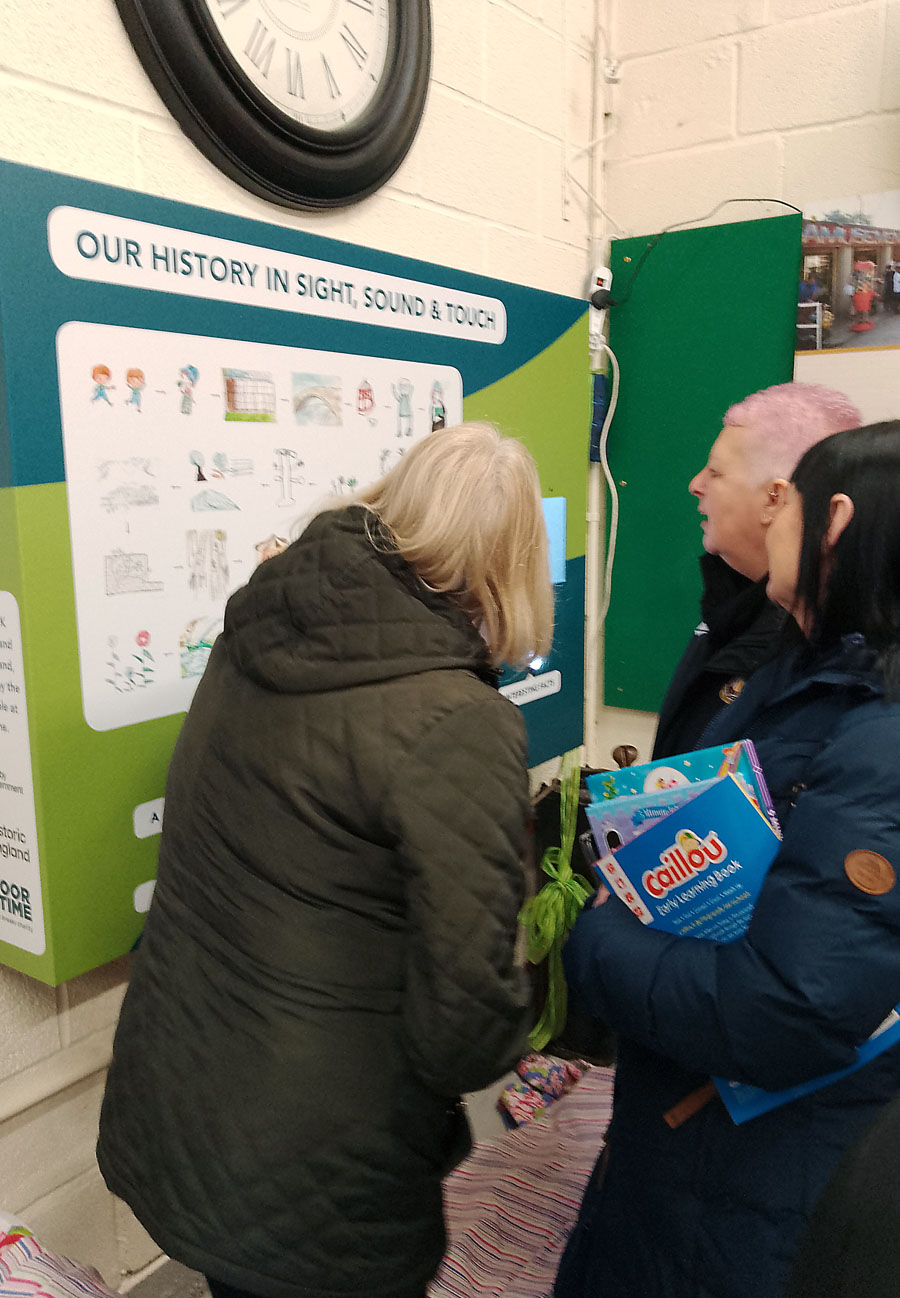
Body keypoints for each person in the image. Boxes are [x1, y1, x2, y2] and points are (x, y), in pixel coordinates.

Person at [96, 422, 554, 1298]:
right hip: (324, 1161)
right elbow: (466, 1031)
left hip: (185, 1091)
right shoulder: (456, 718)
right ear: (510, 563)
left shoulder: (260, 629)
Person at [555, 421, 900, 1298]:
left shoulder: (880, 738)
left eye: (791, 502)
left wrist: (598, 941)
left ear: (836, 522)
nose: (766, 511)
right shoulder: (802, 661)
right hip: (690, 1137)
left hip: (755, 1167)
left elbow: (789, 1008)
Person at [653, 381, 861, 758]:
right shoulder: (728, 608)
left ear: (774, 497)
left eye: (715, 472)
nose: (695, 485)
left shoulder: (820, 645)